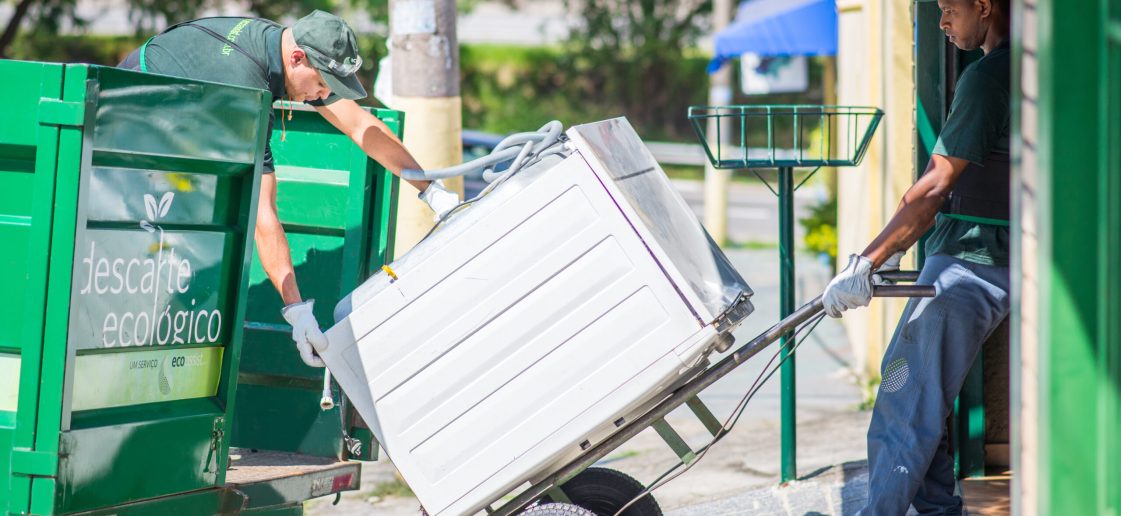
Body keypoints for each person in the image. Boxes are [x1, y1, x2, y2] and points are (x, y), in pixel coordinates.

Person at [119, 11, 459, 368]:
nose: (324, 94)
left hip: (178, 125)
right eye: (324, 83)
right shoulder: (245, 89)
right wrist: (296, 309)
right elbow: (262, 212)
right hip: (130, 128)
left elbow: (361, 125)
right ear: (297, 59)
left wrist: (432, 190)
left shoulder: (284, 49)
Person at [820, 0, 1011, 513]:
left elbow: (933, 187)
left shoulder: (988, 78)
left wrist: (869, 260)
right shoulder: (1023, 67)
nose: (943, 22)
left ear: (985, 7)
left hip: (975, 260)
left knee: (905, 396)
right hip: (995, 258)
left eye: (950, 9)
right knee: (921, 396)